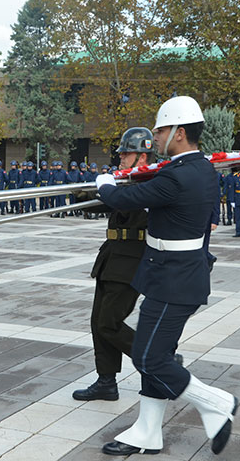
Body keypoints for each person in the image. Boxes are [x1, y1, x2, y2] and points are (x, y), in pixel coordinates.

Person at [95, 96, 237, 456]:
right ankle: (147, 431)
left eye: (159, 130)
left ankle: (215, 402)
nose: (155, 136)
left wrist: (106, 185)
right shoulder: (200, 168)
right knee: (155, 353)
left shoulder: (178, 175)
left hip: (173, 280)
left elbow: (125, 200)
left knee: (148, 358)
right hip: (173, 275)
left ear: (179, 132)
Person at [71, 127, 152, 403]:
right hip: (112, 258)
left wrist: (110, 188)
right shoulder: (125, 180)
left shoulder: (150, 181)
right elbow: (94, 205)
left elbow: (126, 203)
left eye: (126, 153)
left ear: (142, 155)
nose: (121, 158)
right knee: (98, 323)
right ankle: (106, 380)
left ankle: (154, 359)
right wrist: (83, 193)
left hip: (131, 262)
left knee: (109, 323)